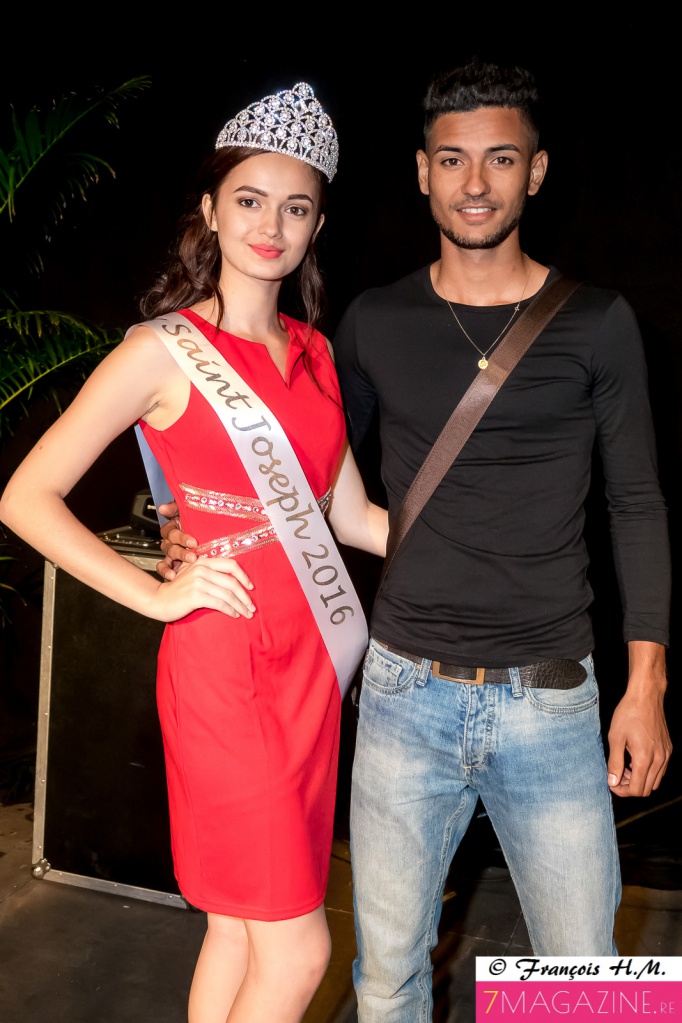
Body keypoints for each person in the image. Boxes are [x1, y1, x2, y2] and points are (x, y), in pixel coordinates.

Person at [157, 59, 673, 1021]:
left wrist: (646, 685)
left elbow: (638, 503)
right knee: (386, 977)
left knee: (587, 979)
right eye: (453, 159)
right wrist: (184, 525)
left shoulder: (601, 323)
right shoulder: (373, 323)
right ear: (422, 173)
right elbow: (297, 472)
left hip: (552, 699)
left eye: (501, 158)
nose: (476, 181)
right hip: (401, 695)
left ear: (536, 172)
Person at [0, 81, 388, 1023]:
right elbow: (24, 497)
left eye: (295, 207)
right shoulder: (163, 352)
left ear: (317, 224)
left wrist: (491, 535)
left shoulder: (318, 355)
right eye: (249, 200)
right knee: (300, 951)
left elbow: (353, 518)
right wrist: (155, 595)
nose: (271, 226)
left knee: (236, 928)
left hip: (312, 668)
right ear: (211, 210)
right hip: (227, 668)